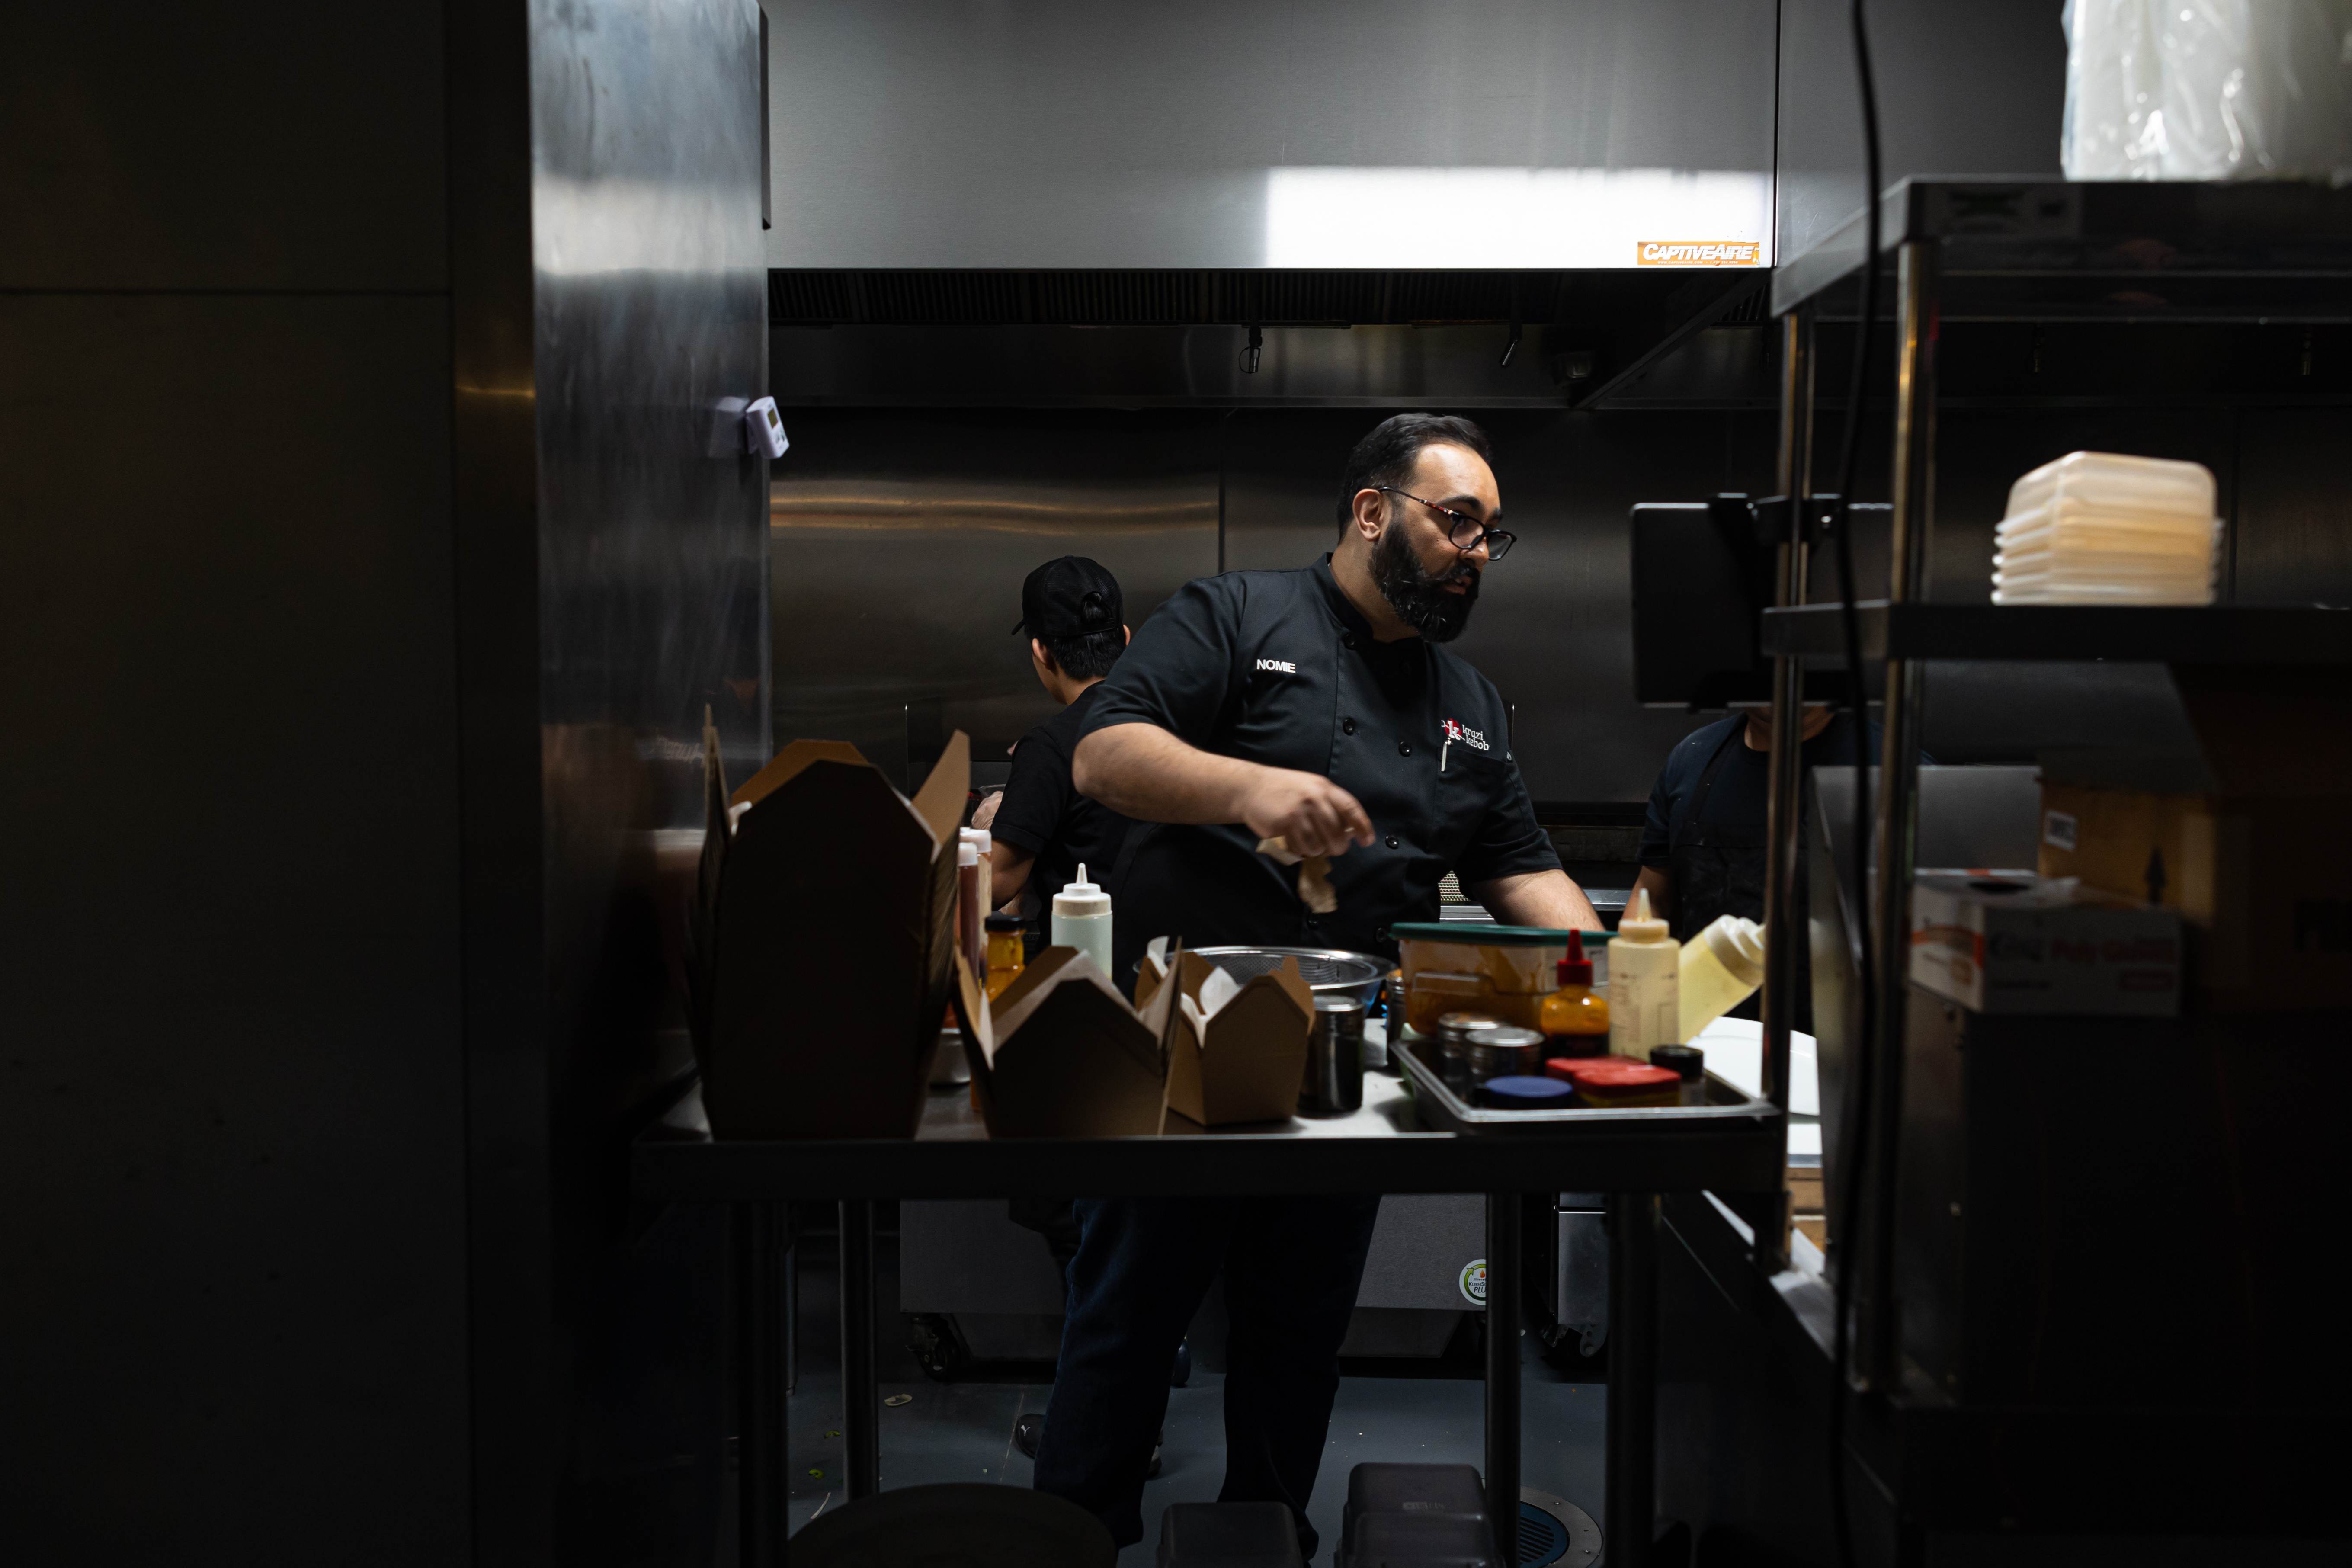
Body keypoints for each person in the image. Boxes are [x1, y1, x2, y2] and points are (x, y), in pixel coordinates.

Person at [1035, 412, 1600, 1558]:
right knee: (1123, 1329)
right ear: (1370, 511)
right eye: (1456, 522)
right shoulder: (1230, 616)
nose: (1475, 551)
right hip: (1179, 1055)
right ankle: (1069, 1542)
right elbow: (1103, 752)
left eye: (1492, 534)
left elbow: (1520, 870)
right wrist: (1248, 790)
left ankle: (1266, 1536)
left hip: (1343, 1070)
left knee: (1296, 1341)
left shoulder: (1469, 705)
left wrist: (1616, 970)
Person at [1631, 701, 1897, 1033]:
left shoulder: (1893, 770)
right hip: (1704, 1037)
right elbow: (1651, 900)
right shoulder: (1692, 759)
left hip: (1836, 1050)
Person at [972, 555, 1138, 919]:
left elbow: (995, 885)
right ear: (1125, 638)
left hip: (1082, 966)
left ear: (1041, 651)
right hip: (1174, 964)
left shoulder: (1050, 745)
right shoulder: (1174, 721)